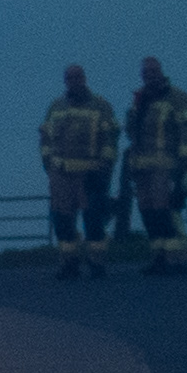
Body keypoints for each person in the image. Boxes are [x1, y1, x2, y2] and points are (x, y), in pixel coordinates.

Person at [41, 64, 122, 278]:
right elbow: (45, 137)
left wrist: (105, 167)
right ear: (65, 81)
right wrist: (48, 163)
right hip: (61, 174)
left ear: (84, 78)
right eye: (70, 78)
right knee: (62, 221)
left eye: (77, 77)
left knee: (94, 220)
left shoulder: (101, 106)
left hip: (91, 173)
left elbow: (110, 138)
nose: (74, 81)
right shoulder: (56, 107)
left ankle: (97, 262)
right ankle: (69, 263)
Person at [125, 55, 187, 276]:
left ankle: (178, 259)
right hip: (142, 168)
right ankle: (159, 258)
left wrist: (184, 164)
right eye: (146, 73)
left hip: (166, 166)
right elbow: (132, 132)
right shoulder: (139, 99)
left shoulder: (177, 97)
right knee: (149, 213)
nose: (150, 76)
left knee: (166, 210)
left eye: (153, 72)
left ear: (161, 72)